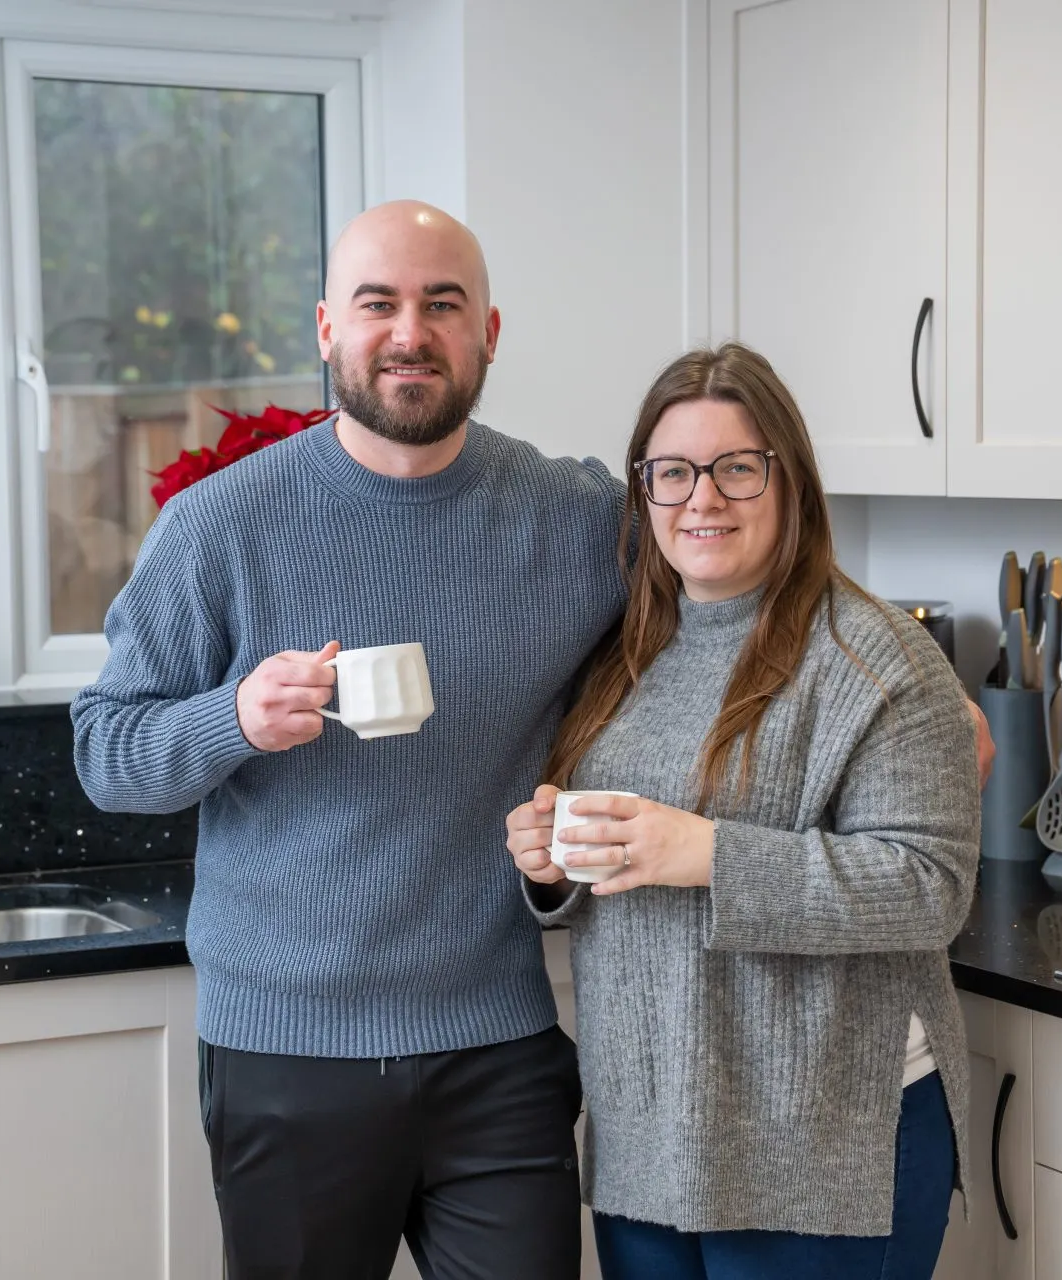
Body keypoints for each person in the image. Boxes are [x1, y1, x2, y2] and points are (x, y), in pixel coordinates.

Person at [73, 201, 995, 1280]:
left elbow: (733, 551)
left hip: (498, 1048)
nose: (409, 331)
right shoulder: (220, 525)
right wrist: (228, 717)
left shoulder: (573, 516)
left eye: (442, 304)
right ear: (329, 327)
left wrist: (913, 680)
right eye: (379, 304)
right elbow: (104, 750)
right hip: (290, 1045)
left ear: (489, 333)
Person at [506, 342, 981, 1280]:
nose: (703, 499)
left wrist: (711, 854)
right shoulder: (628, 652)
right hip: (651, 1137)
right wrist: (552, 867)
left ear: (790, 481)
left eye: (737, 468)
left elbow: (931, 889)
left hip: (821, 1147)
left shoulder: (879, 658)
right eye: (673, 472)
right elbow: (626, 859)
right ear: (644, 490)